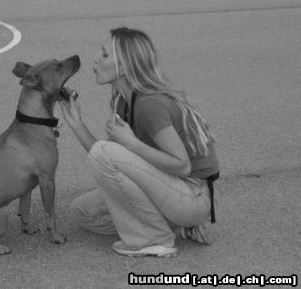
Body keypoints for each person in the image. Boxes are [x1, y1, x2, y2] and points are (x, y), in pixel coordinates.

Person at [58, 27, 219, 257]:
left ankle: (155, 239)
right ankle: (173, 227)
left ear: (123, 67)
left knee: (105, 152)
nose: (95, 58)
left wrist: (132, 143)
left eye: (104, 54)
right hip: (170, 189)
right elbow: (113, 161)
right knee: (82, 212)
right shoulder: (126, 101)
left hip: (192, 195)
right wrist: (76, 124)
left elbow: (181, 165)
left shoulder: (149, 104)